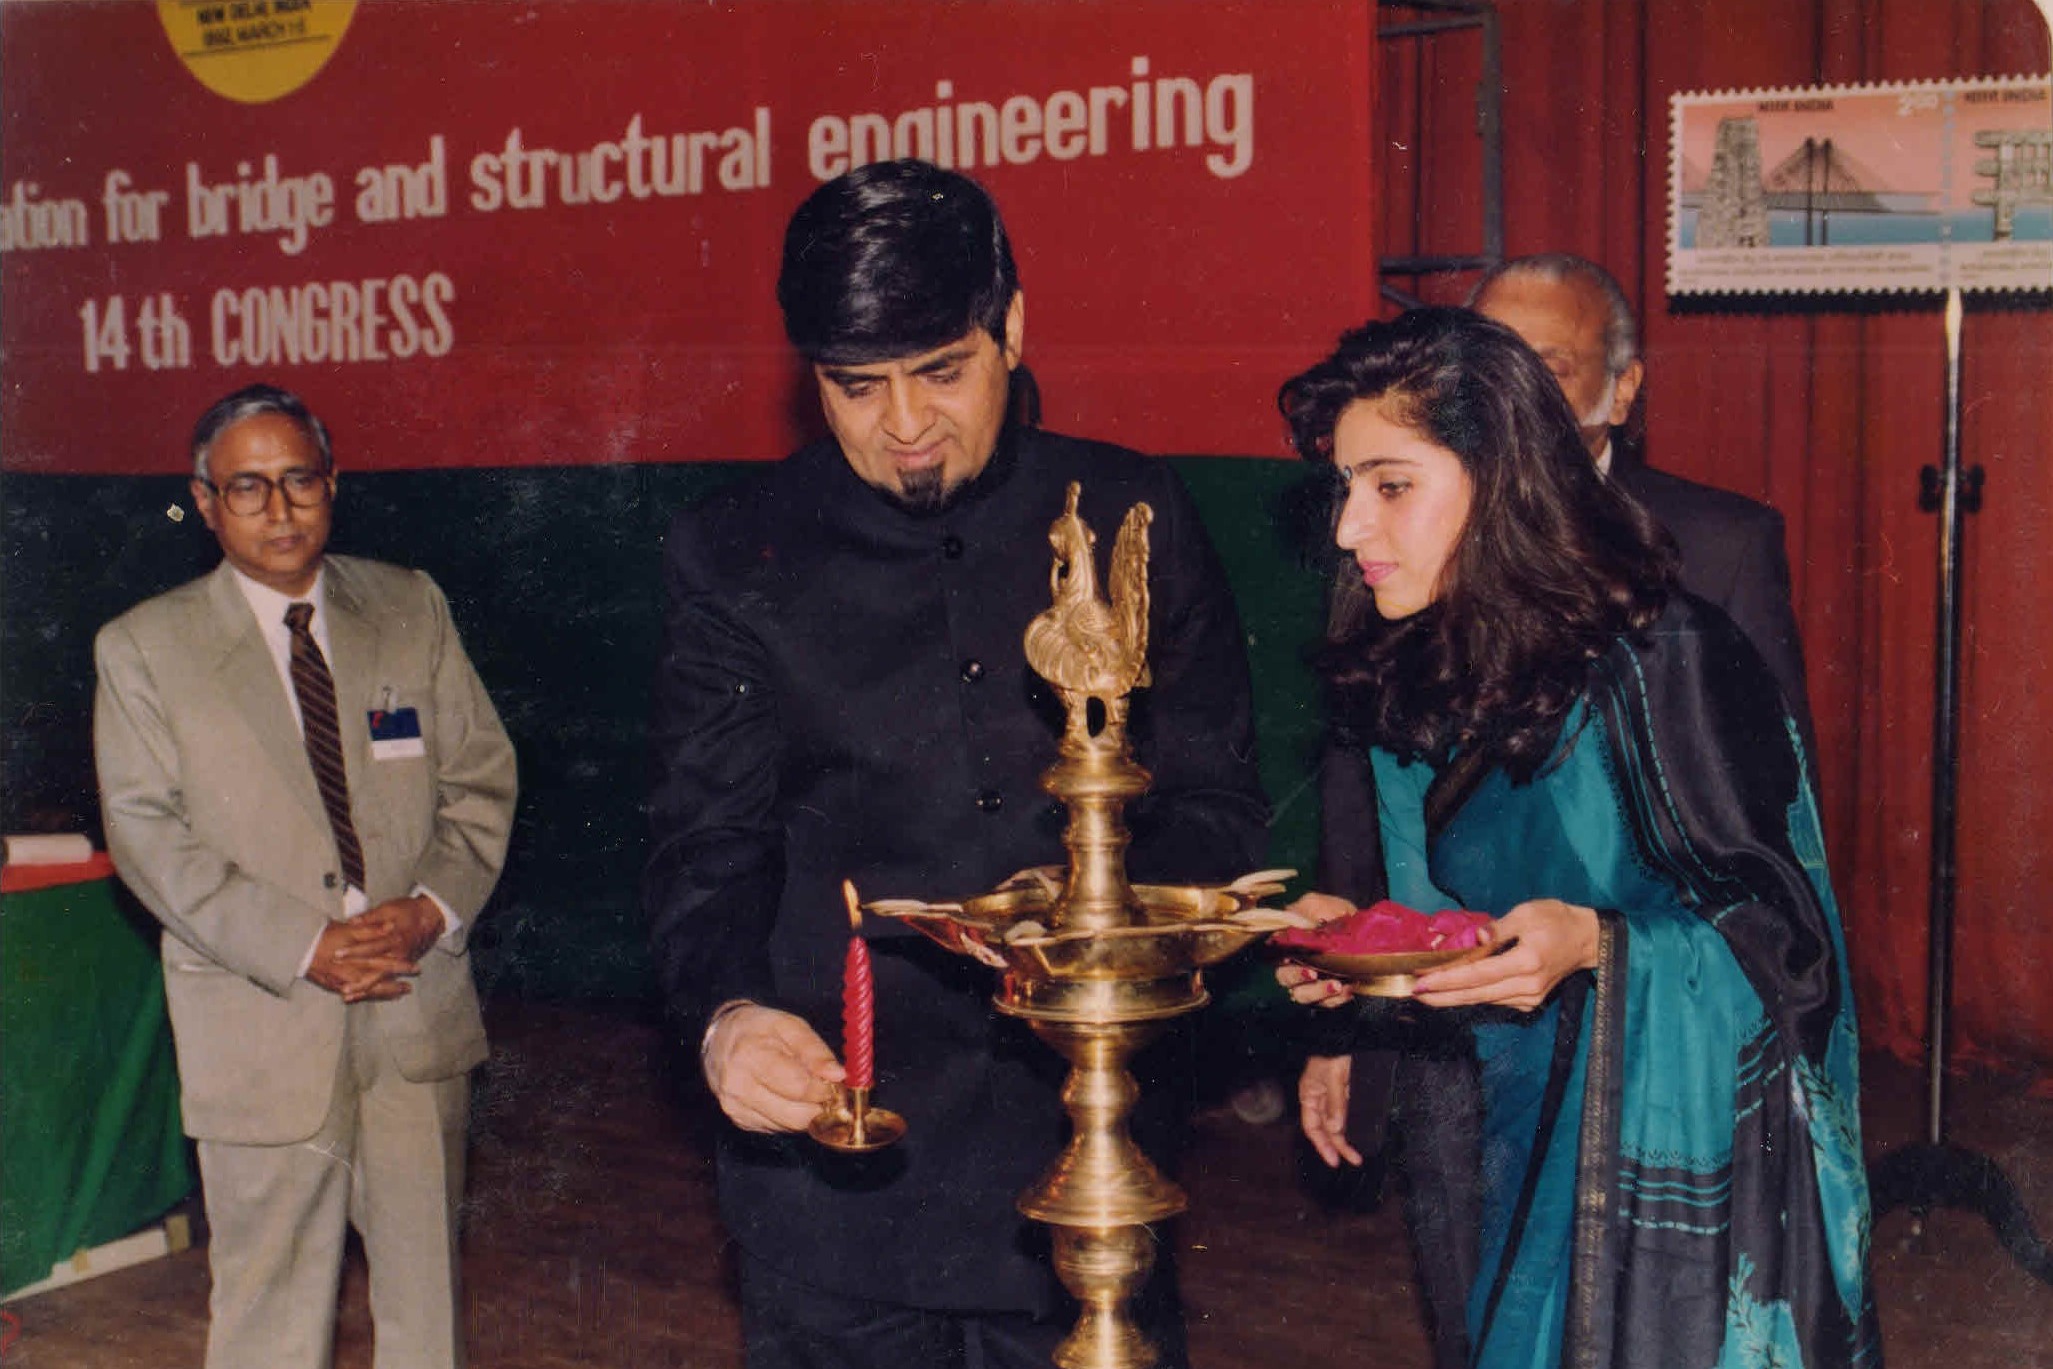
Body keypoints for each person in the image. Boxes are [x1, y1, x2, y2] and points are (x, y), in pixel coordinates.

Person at [643, 158, 1266, 1369]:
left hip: (1084, 1160)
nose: (905, 426)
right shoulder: (732, 552)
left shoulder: (1130, 513)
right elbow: (705, 843)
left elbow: (1217, 809)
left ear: (1011, 328)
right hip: (836, 1182)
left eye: (941, 371)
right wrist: (727, 1018)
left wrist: (1091, 929)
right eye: (856, 386)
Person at [1275, 310, 1879, 1368]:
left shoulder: (1666, 657)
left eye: (1391, 486)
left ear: (1502, 478)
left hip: (1657, 1153)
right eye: (1344, 487)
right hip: (1484, 1116)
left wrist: (1601, 945)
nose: (1347, 528)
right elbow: (1445, 922)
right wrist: (1361, 947)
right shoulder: (1408, 658)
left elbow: (1790, 950)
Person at [93, 383, 518, 1369]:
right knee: (268, 1319)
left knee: (427, 1312)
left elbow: (481, 779)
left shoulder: (409, 605)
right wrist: (306, 944)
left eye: (299, 480)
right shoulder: (144, 648)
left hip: (413, 1007)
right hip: (263, 1022)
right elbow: (149, 837)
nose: (279, 509)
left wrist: (430, 909)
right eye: (248, 488)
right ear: (205, 503)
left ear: (334, 484)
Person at [1469, 253, 1813, 742]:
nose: (1511, 395)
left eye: (1549, 371)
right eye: (1487, 368)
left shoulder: (1720, 549)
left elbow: (1776, 765)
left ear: (1622, 390)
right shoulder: (1402, 528)